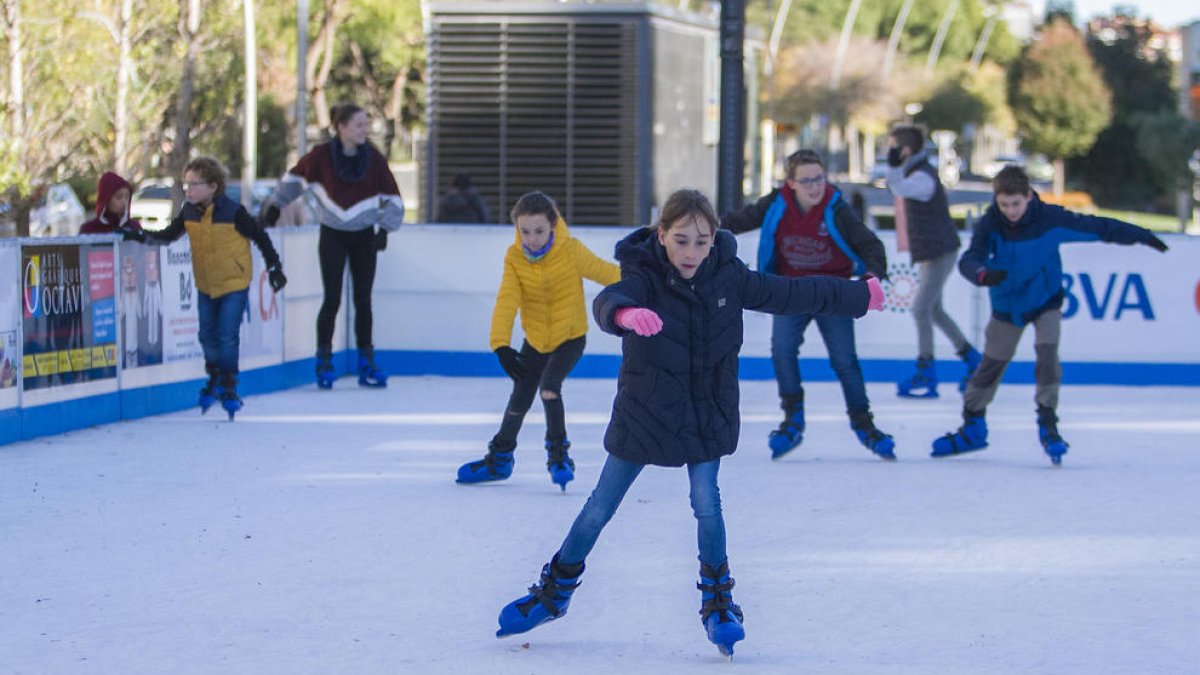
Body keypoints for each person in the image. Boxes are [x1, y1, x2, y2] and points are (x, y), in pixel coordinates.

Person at [493, 189, 884, 656]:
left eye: (701, 241)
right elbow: (610, 299)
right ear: (662, 235)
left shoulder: (729, 277)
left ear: (714, 238)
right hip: (646, 411)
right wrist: (625, 314)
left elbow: (792, 292)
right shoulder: (644, 275)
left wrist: (861, 294)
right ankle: (555, 592)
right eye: (681, 240)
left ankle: (719, 603)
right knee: (600, 507)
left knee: (706, 503)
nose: (691, 252)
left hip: (705, 411)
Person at [931, 166, 1169, 465]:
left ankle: (1048, 423)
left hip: (1045, 301)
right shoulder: (991, 224)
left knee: (1047, 354)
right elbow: (971, 258)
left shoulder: (1049, 219)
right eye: (1004, 205)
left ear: (1028, 197)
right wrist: (982, 274)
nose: (1010, 211)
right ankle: (973, 427)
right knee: (990, 366)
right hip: (1008, 305)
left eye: (1016, 204)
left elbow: (1097, 227)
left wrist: (1142, 235)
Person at [722, 149, 895, 461]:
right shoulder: (776, 204)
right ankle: (793, 420)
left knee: (845, 361)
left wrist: (871, 277)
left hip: (833, 294)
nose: (815, 186)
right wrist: (696, 227)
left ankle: (864, 424)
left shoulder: (836, 208)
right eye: (806, 181)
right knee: (782, 351)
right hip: (791, 292)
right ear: (790, 183)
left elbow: (870, 244)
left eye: (819, 179)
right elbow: (736, 221)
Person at [455, 191, 619, 491]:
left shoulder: (571, 250)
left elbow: (605, 272)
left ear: (553, 226)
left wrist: (645, 278)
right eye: (525, 231)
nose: (531, 239)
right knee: (519, 398)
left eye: (539, 231)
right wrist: (501, 345)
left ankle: (559, 457)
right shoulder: (514, 258)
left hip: (570, 338)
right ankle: (499, 460)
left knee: (549, 389)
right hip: (535, 341)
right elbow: (507, 300)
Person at [260, 103, 404, 389]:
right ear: (341, 127)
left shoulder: (374, 159)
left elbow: (392, 196)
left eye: (366, 125)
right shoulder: (321, 157)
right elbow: (294, 179)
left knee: (363, 299)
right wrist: (275, 206)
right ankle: (324, 359)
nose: (365, 130)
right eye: (359, 125)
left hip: (364, 236)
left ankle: (366, 358)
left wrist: (385, 229)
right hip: (332, 235)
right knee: (332, 298)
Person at [134, 156, 287, 419]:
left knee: (227, 335)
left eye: (194, 184)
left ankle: (228, 384)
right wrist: (139, 234)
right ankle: (215, 375)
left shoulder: (233, 212)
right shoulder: (189, 212)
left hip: (234, 283)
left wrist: (274, 267)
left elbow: (260, 237)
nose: (188, 190)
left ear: (213, 186)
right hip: (206, 284)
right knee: (206, 335)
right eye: (186, 184)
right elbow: (168, 235)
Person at [885, 125, 981, 398]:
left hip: (939, 252)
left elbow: (897, 188)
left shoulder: (922, 177)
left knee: (920, 309)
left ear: (904, 150)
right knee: (934, 310)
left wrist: (892, 166)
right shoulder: (917, 172)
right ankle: (973, 360)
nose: (888, 151)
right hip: (933, 251)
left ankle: (926, 370)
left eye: (892, 146)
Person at [79, 171, 143, 238]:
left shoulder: (134, 227)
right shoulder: (89, 229)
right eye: (118, 197)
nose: (124, 202)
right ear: (106, 199)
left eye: (127, 197)